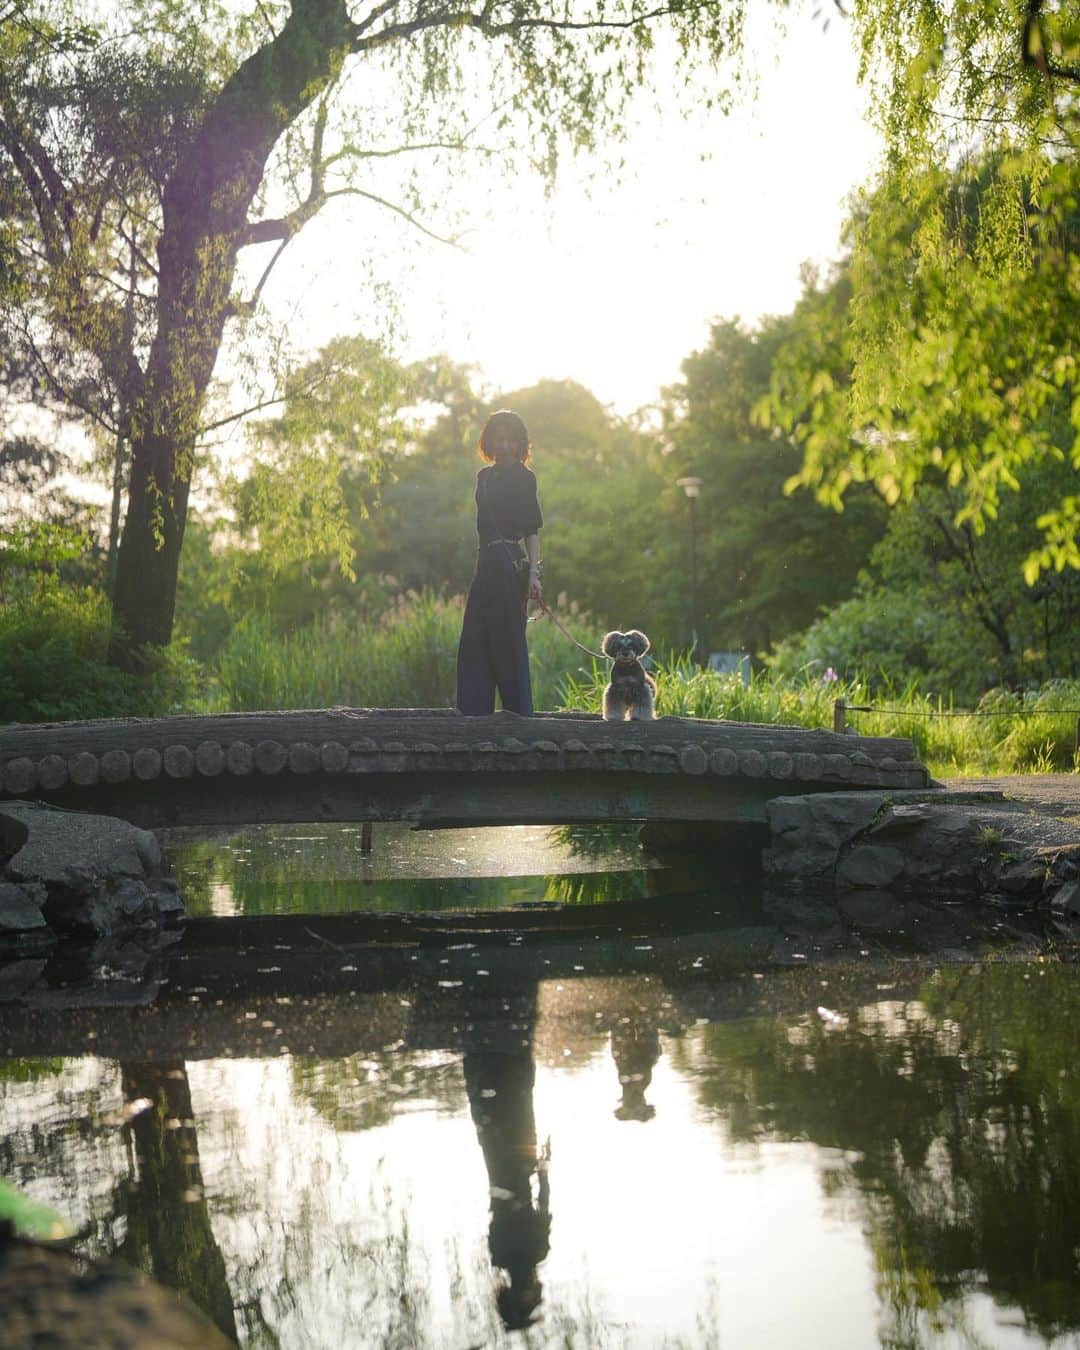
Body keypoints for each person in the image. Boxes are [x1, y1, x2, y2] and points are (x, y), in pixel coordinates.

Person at [456, 409, 543, 715]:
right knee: (475, 639)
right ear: (490, 441)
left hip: (510, 564)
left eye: (510, 440)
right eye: (499, 439)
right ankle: (473, 713)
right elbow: (482, 529)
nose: (504, 446)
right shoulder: (483, 478)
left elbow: (532, 530)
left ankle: (518, 715)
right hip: (486, 564)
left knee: (508, 640)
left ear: (519, 443)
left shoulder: (524, 477)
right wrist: (480, 569)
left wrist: (534, 574)